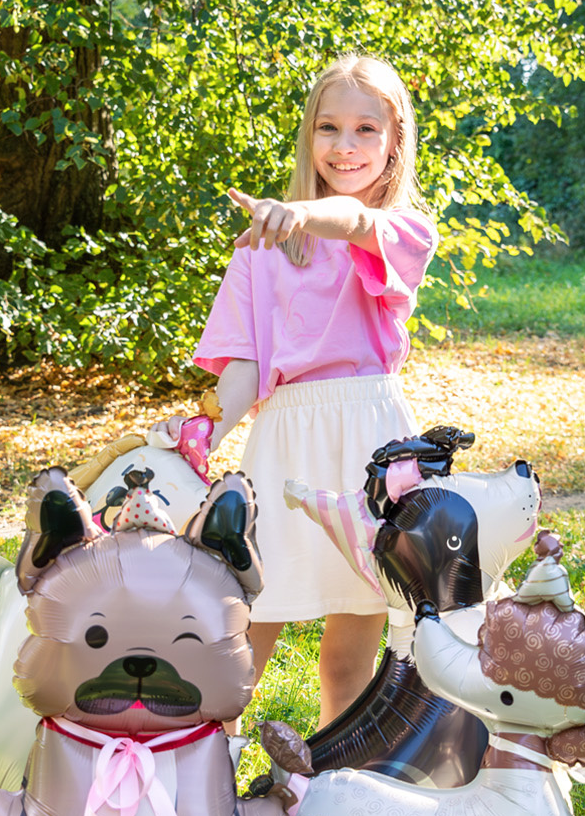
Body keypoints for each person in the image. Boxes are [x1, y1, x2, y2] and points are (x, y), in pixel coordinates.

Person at [158, 53, 438, 730]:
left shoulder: (404, 230)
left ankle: (334, 778)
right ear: (308, 136)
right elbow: (247, 366)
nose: (345, 146)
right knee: (242, 633)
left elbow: (354, 222)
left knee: (348, 656)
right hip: (282, 443)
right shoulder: (262, 246)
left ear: (395, 140)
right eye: (328, 127)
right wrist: (205, 430)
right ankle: (202, 772)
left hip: (370, 445)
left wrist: (301, 215)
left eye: (366, 129)